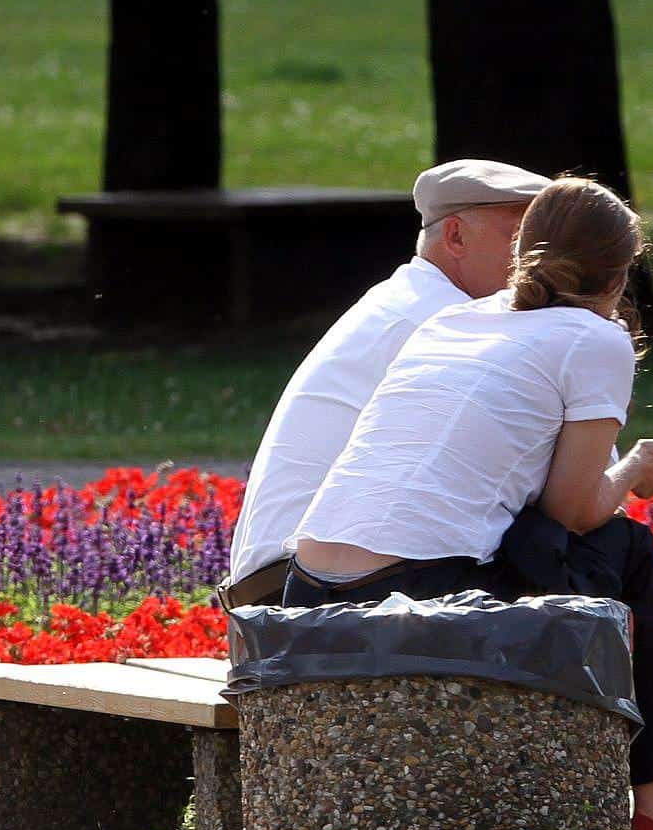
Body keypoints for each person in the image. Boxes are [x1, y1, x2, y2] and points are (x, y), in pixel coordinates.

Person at [282, 178, 653, 830]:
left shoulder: (454, 322)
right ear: (621, 273)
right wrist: (638, 468)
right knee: (627, 546)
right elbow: (576, 511)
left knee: (545, 537)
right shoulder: (595, 338)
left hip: (307, 590)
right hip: (412, 593)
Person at [220, 159, 552, 609]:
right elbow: (559, 487)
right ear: (456, 237)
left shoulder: (409, 301)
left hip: (294, 585)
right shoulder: (451, 323)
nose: (543, 261)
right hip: (308, 591)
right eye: (522, 240)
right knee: (583, 547)